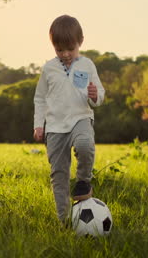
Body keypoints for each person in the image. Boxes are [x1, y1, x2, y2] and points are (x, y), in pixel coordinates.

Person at [33, 15, 105, 224]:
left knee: (85, 144)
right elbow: (40, 98)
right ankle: (63, 220)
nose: (65, 54)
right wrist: (39, 125)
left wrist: (95, 96)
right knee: (59, 174)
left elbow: (99, 93)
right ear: (53, 47)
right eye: (59, 50)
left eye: (70, 49)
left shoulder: (88, 65)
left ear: (80, 42)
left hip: (80, 117)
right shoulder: (49, 69)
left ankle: (83, 182)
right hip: (55, 127)